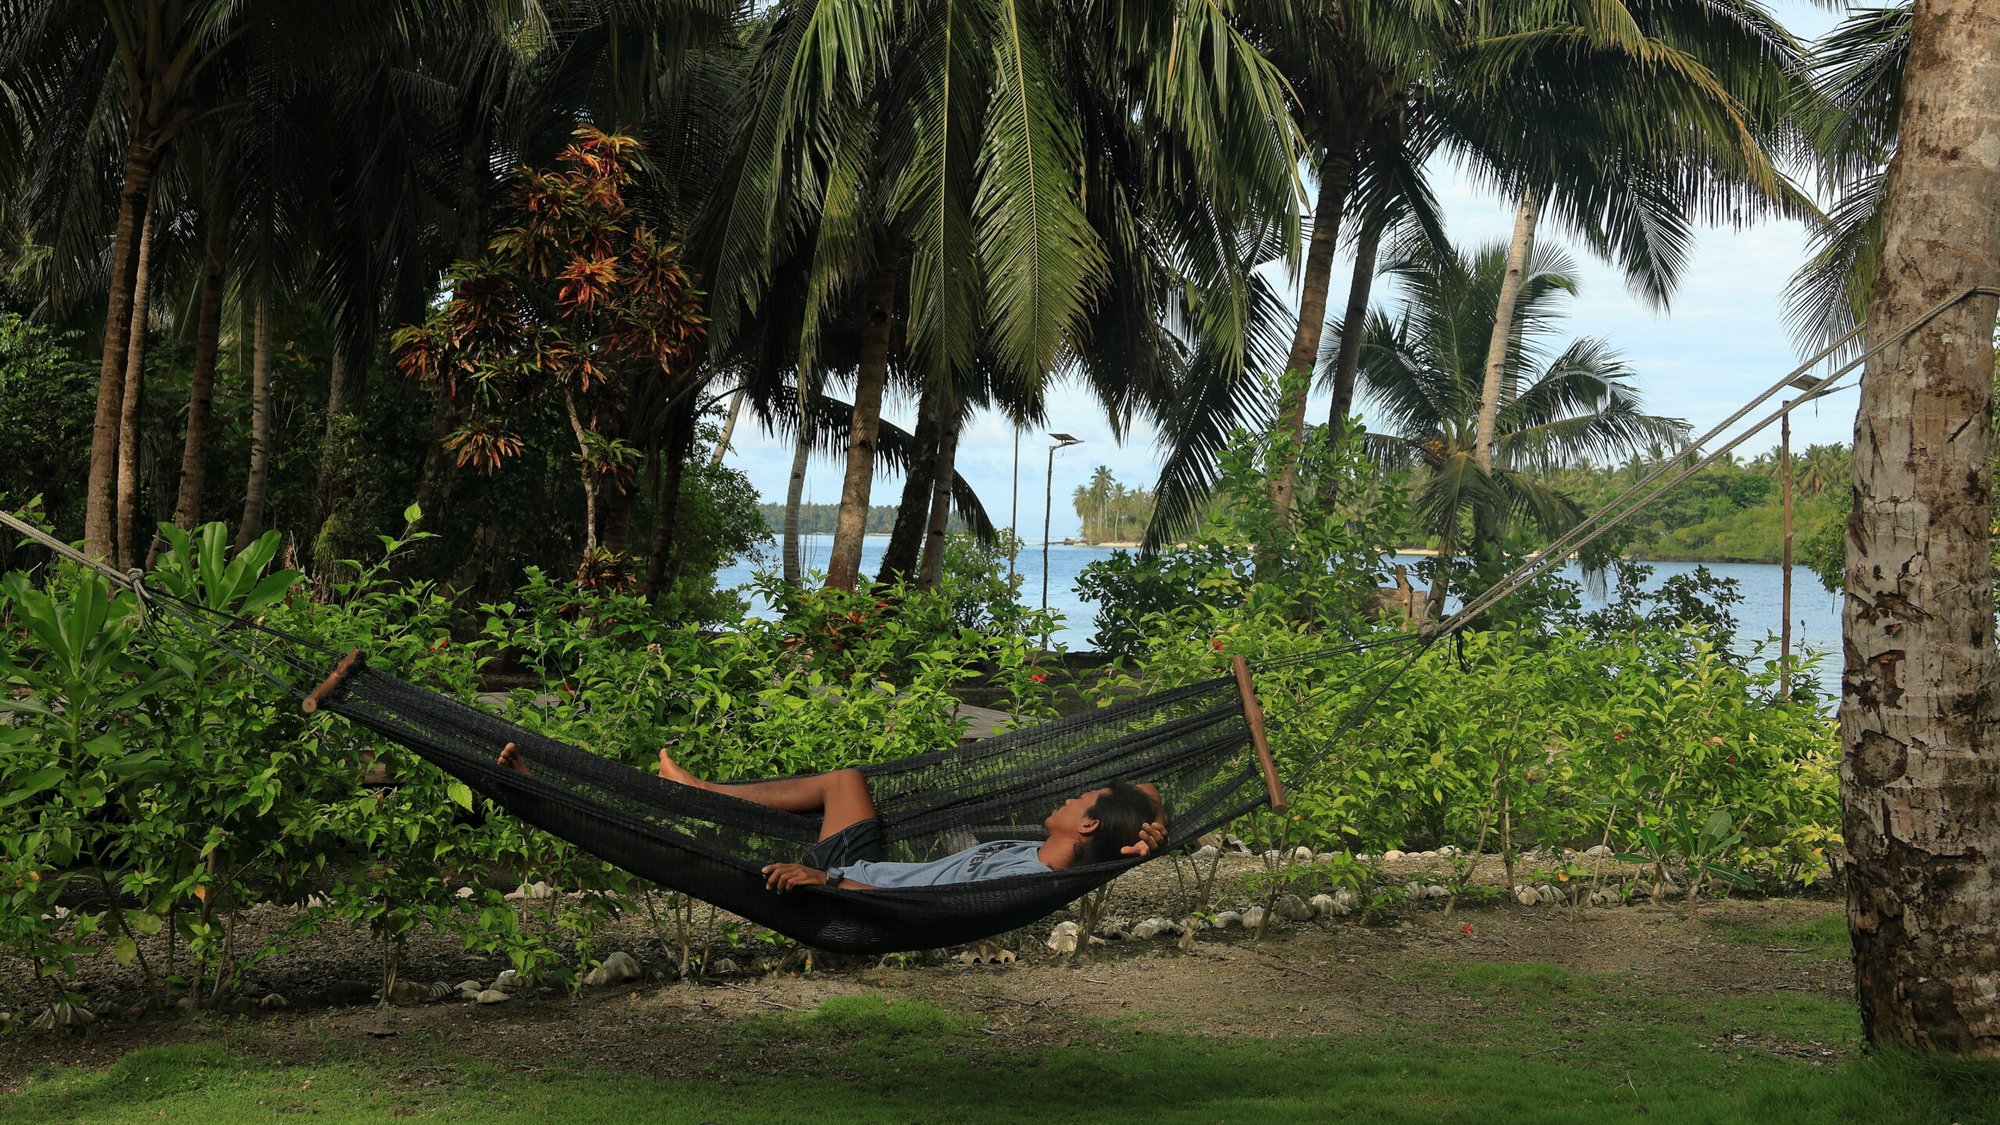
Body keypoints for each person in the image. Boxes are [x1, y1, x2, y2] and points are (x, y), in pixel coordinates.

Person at [496, 745, 1167, 892]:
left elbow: (925, 908)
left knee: (680, 856)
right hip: (858, 868)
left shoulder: (1026, 878)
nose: (1072, 795)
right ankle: (698, 787)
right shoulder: (1056, 857)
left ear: (1082, 827)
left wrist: (828, 886)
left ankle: (538, 797)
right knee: (845, 779)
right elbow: (1141, 791)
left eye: (1082, 801)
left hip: (845, 890)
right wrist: (1150, 831)